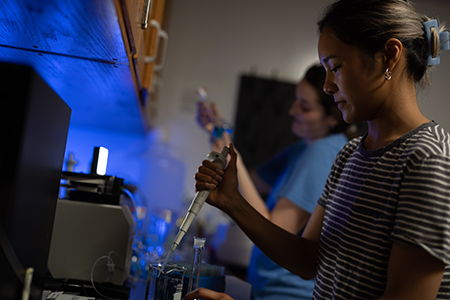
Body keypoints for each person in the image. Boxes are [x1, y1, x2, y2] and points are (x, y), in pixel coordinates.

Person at [185, 0, 450, 299]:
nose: (327, 86)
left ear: (389, 56)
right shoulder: (350, 155)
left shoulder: (428, 160)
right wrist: (232, 202)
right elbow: (307, 260)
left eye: (335, 67)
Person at [196, 64, 352, 300]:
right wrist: (219, 136)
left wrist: (228, 151)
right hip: (268, 288)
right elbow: (251, 182)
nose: (292, 110)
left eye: (305, 106)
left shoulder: (323, 153)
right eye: (296, 100)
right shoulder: (304, 147)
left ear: (332, 117)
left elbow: (275, 229)